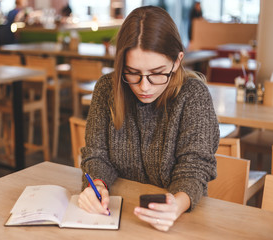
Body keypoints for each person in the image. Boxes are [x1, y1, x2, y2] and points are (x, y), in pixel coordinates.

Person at [78, 6, 219, 232]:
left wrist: (176, 205)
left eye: (156, 73)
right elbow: (97, 156)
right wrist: (97, 186)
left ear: (177, 61)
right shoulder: (106, 89)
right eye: (132, 72)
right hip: (119, 217)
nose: (144, 87)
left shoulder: (193, 95)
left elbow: (194, 169)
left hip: (177, 222)